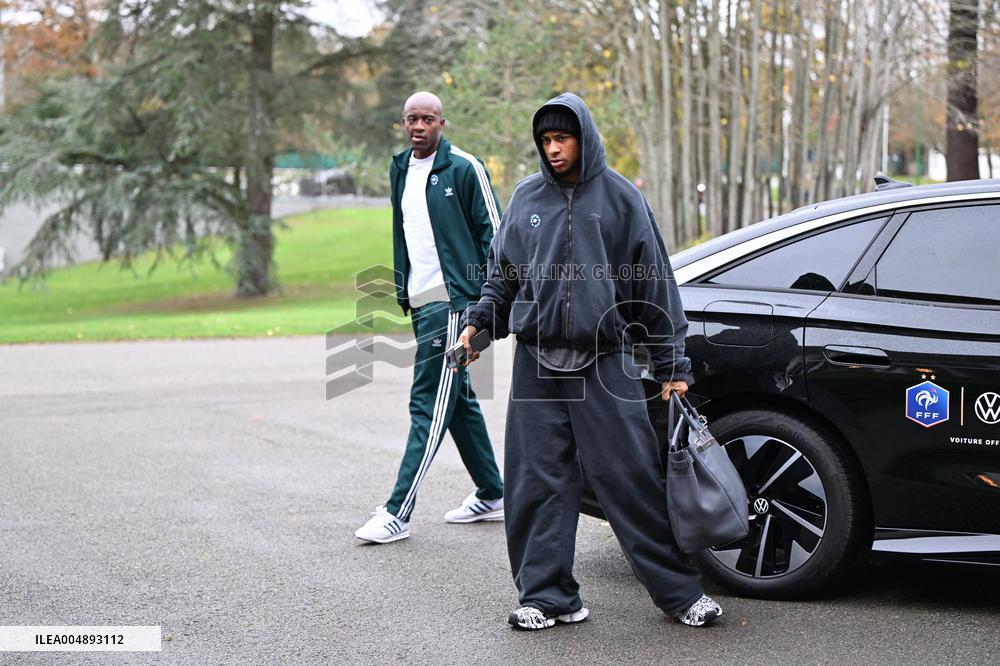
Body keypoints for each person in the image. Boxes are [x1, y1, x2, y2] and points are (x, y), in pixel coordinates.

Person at [458, 93, 722, 628]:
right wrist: (478, 328)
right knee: (536, 484)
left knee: (630, 479)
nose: (553, 149)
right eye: (545, 140)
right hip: (536, 363)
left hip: (605, 362)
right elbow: (502, 277)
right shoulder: (527, 197)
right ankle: (546, 597)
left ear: (584, 138)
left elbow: (655, 286)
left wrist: (672, 367)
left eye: (562, 138)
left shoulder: (621, 199)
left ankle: (680, 594)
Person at [354, 91, 505, 544]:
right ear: (403, 123)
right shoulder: (401, 168)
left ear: (442, 123)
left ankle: (397, 511)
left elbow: (498, 236)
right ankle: (493, 493)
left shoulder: (464, 167)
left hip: (457, 303)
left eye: (427, 119)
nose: (418, 126)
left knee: (428, 401)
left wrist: (487, 306)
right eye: (411, 119)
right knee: (456, 400)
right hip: (422, 300)